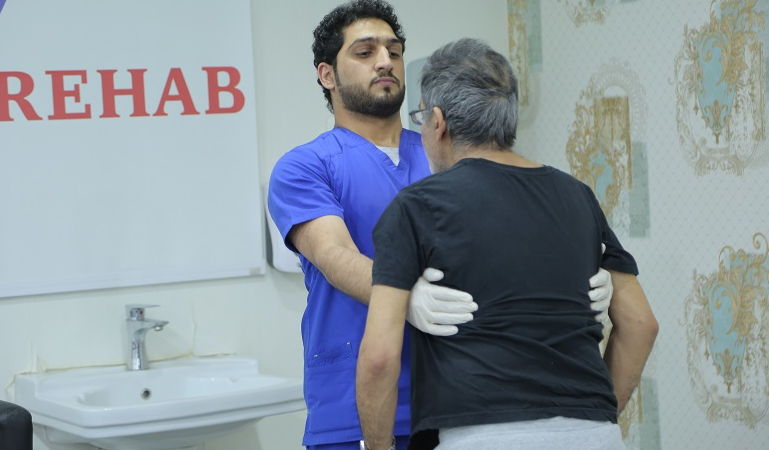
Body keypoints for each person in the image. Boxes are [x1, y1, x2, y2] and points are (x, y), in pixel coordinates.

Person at [268, 2, 614, 449]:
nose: (385, 61)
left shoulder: (446, 148)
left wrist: (573, 272)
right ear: (327, 75)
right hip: (356, 407)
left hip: (461, 403)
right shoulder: (305, 167)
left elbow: (508, 242)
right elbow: (334, 254)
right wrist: (404, 297)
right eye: (365, 52)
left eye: (394, 51)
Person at [356, 38, 659, 450]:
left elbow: (379, 358)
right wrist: (594, 417)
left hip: (480, 436)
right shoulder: (579, 196)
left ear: (438, 122)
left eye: (421, 118)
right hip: (595, 434)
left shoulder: (417, 206)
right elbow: (641, 325)